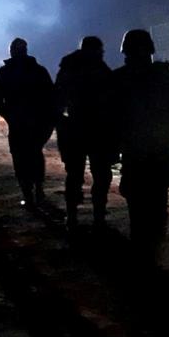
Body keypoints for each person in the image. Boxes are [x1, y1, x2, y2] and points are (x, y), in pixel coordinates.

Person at [111, 29, 169, 258]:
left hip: (132, 151)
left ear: (125, 51)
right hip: (160, 150)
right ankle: (153, 250)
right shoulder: (166, 78)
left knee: (137, 205)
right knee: (158, 203)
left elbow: (107, 115)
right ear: (150, 50)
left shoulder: (117, 78)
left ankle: (142, 254)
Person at [56, 35, 116, 230]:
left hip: (77, 128)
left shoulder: (69, 68)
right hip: (95, 129)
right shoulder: (100, 69)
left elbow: (58, 100)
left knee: (76, 174)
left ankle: (73, 216)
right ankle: (97, 217)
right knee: (100, 175)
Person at [0, 37, 56, 207]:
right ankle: (35, 191)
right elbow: (51, 97)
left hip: (23, 122)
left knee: (22, 158)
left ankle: (30, 193)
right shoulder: (38, 71)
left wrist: (7, 115)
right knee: (32, 155)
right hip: (31, 122)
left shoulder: (6, 72)